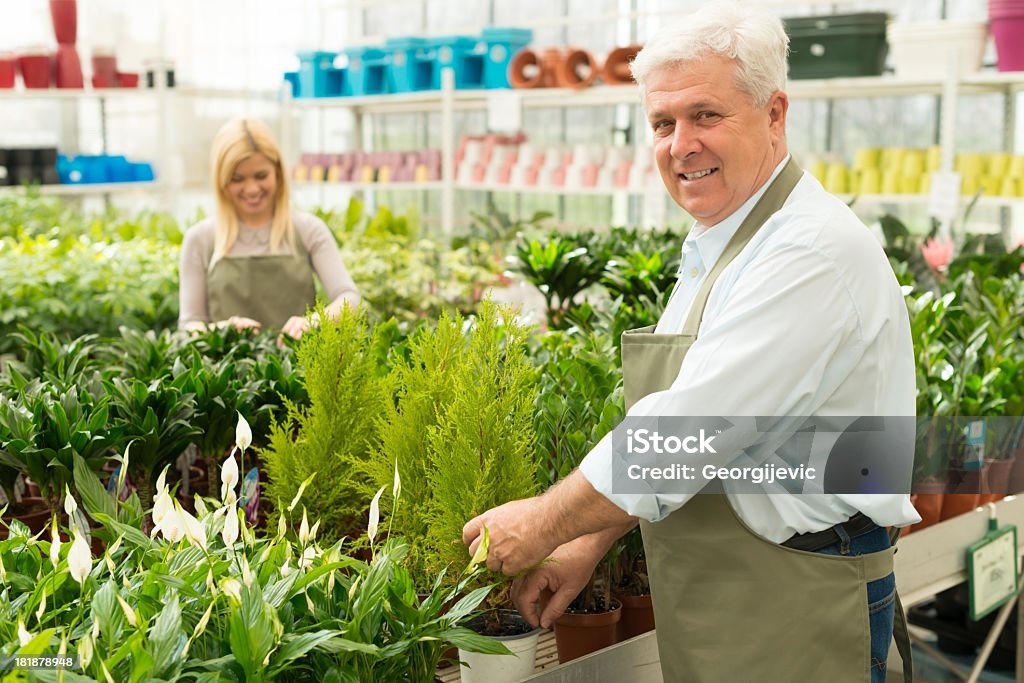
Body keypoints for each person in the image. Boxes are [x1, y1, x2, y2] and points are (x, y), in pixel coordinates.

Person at [462, 4, 920, 682]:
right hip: (739, 593)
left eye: (706, 115)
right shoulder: (727, 242)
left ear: (774, 114)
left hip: (797, 601)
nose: (681, 144)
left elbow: (691, 430)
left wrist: (543, 523)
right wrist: (592, 538)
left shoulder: (806, 253)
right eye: (662, 123)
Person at [178, 117, 359, 338]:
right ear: (221, 181)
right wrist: (223, 331)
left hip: (299, 368)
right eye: (238, 179)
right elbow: (189, 323)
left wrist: (313, 321)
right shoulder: (201, 238)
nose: (252, 189)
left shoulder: (307, 230)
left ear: (278, 173)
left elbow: (349, 297)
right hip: (224, 369)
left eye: (261, 176)